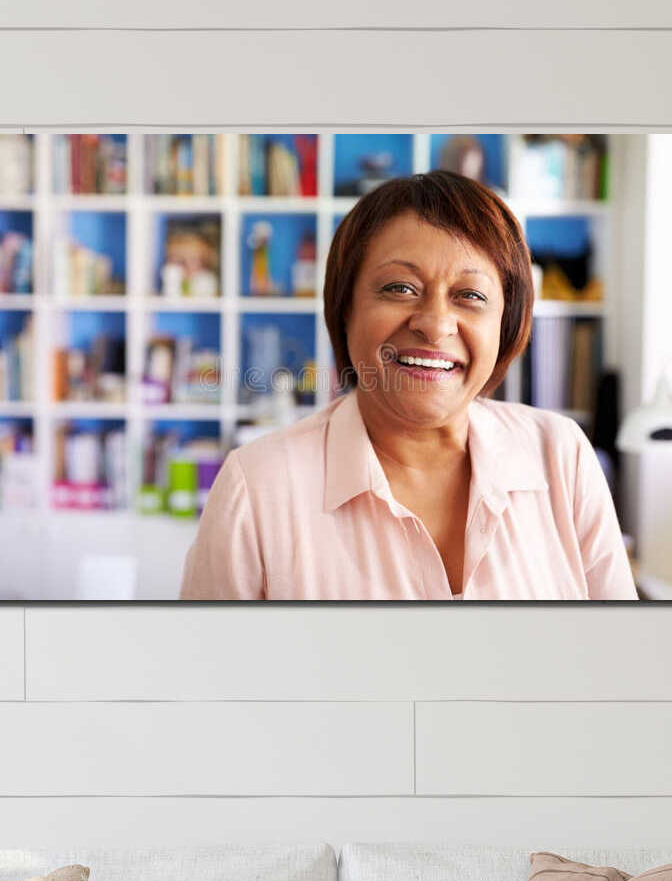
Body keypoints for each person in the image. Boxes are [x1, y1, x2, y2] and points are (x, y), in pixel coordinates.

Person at [178, 170, 636, 601]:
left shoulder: (562, 456)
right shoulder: (257, 487)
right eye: (399, 288)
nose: (436, 325)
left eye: (470, 296)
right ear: (345, 309)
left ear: (506, 323)